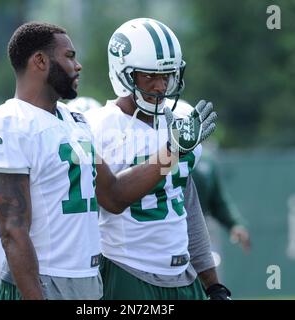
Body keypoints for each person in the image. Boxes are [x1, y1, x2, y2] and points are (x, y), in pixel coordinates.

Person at [0, 22, 216, 300]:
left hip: (87, 281)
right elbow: (12, 232)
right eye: (69, 56)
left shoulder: (75, 121)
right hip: (42, 281)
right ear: (39, 60)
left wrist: (172, 150)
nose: (78, 66)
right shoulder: (6, 125)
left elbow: (114, 196)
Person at [85, 18, 230, 300]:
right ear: (123, 74)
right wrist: (172, 151)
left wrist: (212, 284)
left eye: (167, 76)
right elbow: (113, 199)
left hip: (183, 273)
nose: (160, 86)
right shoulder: (97, 127)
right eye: (149, 76)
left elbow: (187, 206)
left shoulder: (183, 119)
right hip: (127, 271)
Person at [188, 145, 251, 252]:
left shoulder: (206, 159)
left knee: (209, 266)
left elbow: (217, 200)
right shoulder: (162, 151)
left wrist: (234, 224)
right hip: (165, 234)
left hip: (196, 235)